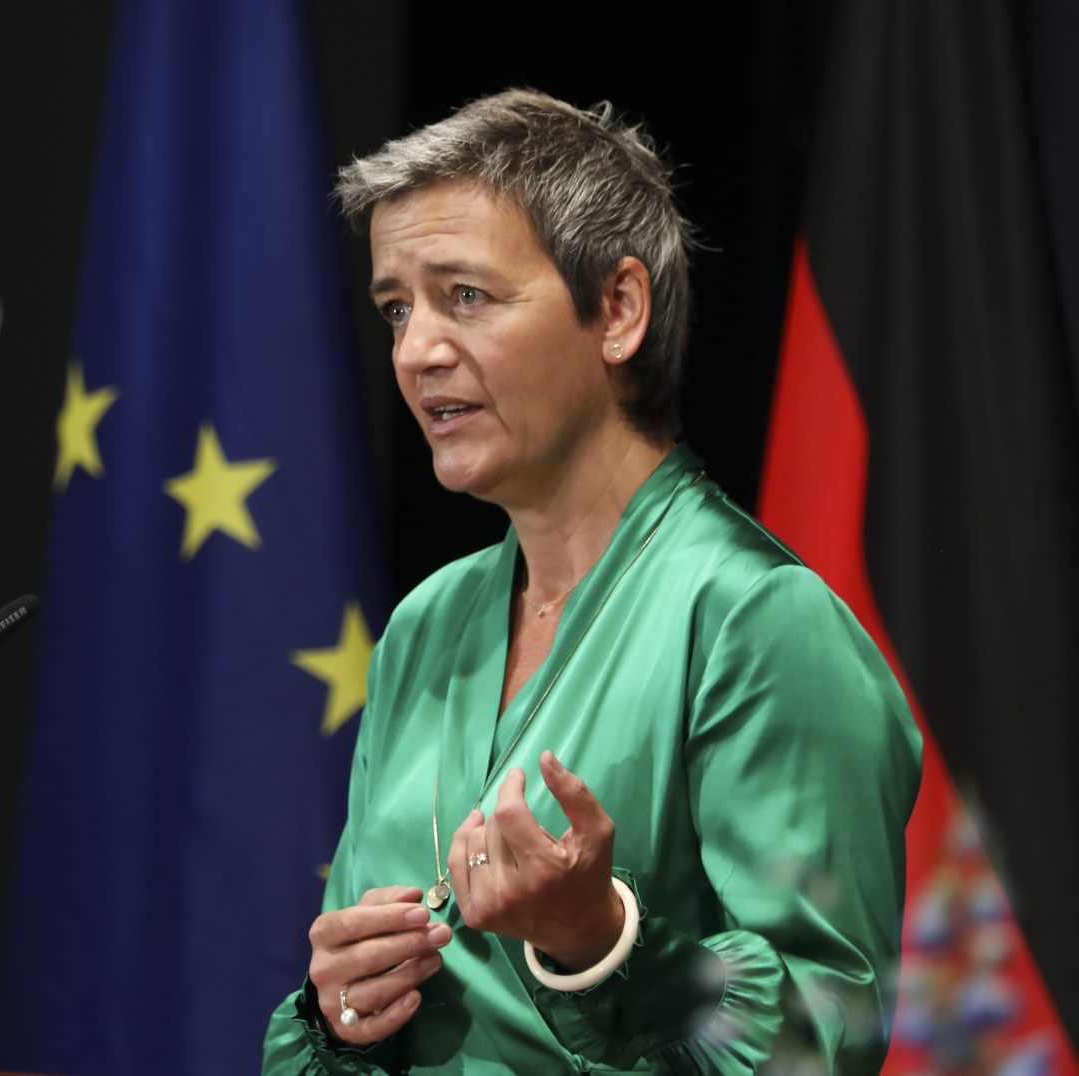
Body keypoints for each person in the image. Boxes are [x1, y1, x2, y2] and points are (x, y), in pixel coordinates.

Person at [262, 89, 921, 1073]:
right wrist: (335, 1011)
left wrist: (603, 942)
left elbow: (821, 1038)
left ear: (617, 309)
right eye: (397, 307)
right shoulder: (426, 624)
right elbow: (345, 1011)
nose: (416, 350)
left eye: (466, 296)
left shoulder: (759, 620)